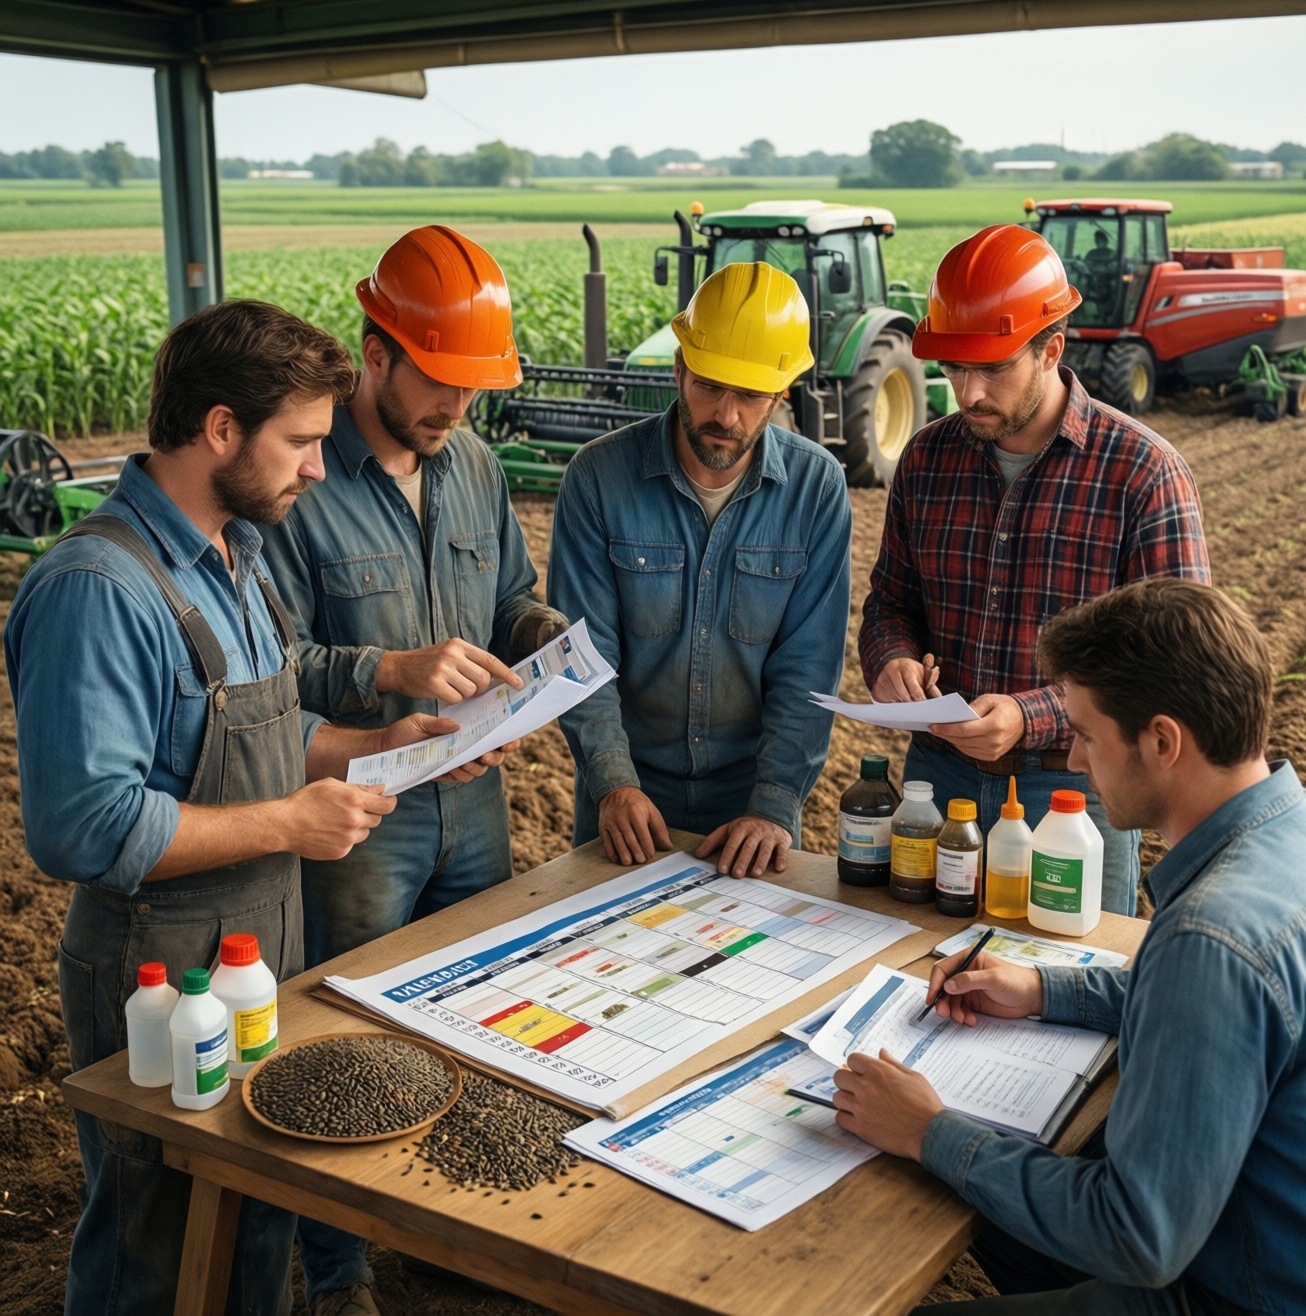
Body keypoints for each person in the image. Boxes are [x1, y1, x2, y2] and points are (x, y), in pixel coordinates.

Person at [4, 299, 491, 1316]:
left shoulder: (239, 556)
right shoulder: (100, 586)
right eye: (302, 441)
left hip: (259, 949)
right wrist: (286, 823)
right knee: (159, 1237)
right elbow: (83, 824)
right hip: (161, 968)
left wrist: (373, 749)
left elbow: (267, 734)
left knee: (252, 1227)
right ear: (220, 428)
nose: (318, 468)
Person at [835, 578, 1306, 1315]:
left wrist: (932, 1131)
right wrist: (1044, 990)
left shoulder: (1211, 938)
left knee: (949, 1175)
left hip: (1229, 1290)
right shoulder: (1305, 822)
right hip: (1263, 1245)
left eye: (1087, 735)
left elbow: (1137, 1237)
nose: (1072, 762)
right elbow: (1224, 1012)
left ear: (1163, 741)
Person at [258, 225, 562, 1315]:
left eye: (475, 390)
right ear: (375, 350)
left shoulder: (471, 463)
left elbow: (508, 596)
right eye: (441, 381)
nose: (456, 410)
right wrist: (390, 665)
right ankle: (339, 1276)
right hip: (360, 815)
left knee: (477, 1020)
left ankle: (452, 1244)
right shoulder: (298, 474)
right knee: (343, 1049)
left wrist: (539, 638)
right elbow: (269, 668)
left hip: (471, 803)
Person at [859, 223, 1209, 915]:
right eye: (955, 368)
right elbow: (889, 602)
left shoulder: (1142, 473)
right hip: (939, 784)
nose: (968, 393)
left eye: (992, 368)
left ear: (1052, 348)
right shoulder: (927, 461)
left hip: (1075, 792)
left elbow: (1181, 670)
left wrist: (1032, 715)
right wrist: (891, 659)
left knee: (1068, 987)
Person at [547, 261, 852, 879]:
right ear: (680, 369)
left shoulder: (817, 487)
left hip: (749, 805)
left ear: (781, 395)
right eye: (711, 385)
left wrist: (773, 804)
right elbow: (582, 653)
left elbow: (808, 667)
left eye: (750, 396)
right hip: (625, 799)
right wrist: (611, 783)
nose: (727, 415)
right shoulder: (598, 477)